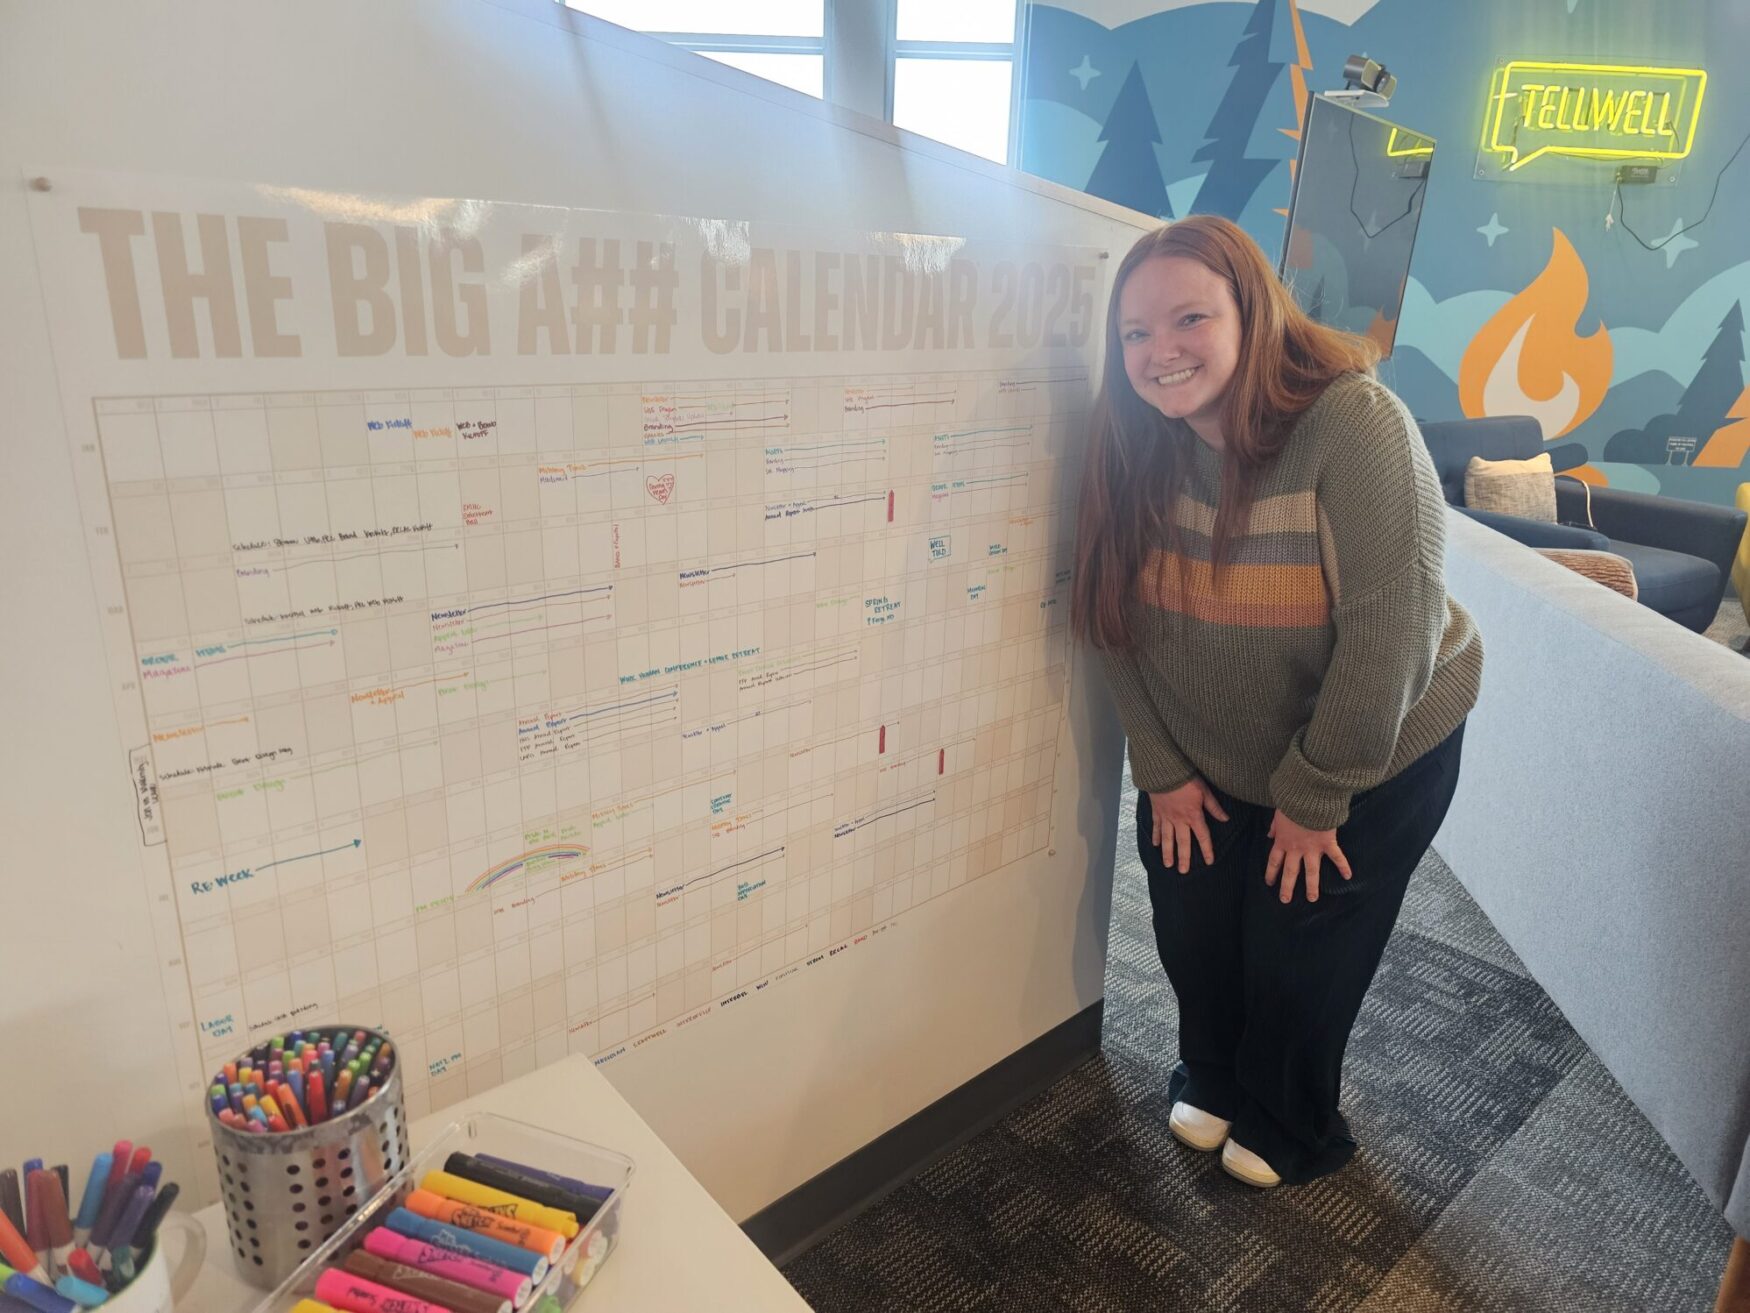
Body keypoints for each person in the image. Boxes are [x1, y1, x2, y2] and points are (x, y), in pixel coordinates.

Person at [1069, 215, 1483, 1188]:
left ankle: (1289, 1115)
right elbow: (1104, 612)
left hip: (1373, 746)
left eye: (1187, 318)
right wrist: (1161, 772)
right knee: (1192, 924)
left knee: (1300, 947)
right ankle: (1212, 1074)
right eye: (1134, 333)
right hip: (1208, 752)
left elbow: (1392, 638)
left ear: (1250, 313)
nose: (1158, 351)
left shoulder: (1351, 425)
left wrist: (1312, 796)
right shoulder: (1131, 439)